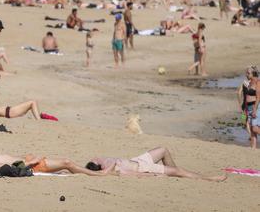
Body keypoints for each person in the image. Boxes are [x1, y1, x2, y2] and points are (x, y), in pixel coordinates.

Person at [86, 147, 226, 181]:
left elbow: (91, 163)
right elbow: (132, 174)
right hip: (143, 167)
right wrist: (151, 175)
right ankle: (209, 178)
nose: (96, 159)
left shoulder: (100, 161)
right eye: (96, 162)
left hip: (139, 159)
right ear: (100, 167)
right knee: (178, 172)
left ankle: (174, 170)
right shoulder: (112, 169)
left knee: (163, 150)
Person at [237, 66, 259, 148]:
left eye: (248, 73)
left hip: (246, 105)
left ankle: (251, 135)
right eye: (246, 73)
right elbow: (238, 93)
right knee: (245, 121)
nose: (246, 74)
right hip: (245, 105)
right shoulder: (247, 83)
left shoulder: (246, 83)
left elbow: (238, 93)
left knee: (245, 122)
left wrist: (240, 103)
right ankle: (251, 137)